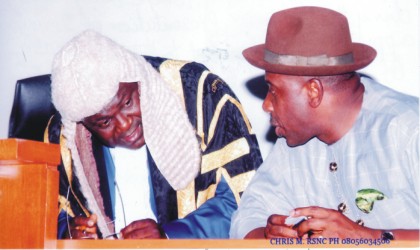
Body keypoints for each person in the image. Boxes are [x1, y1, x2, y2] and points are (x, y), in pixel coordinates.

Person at [45, 30, 262, 239]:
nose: (125, 124)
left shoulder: (200, 95)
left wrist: (170, 236)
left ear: (138, 81)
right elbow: (47, 212)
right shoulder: (65, 135)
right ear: (85, 126)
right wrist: (69, 232)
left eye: (128, 102)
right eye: (105, 122)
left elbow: (244, 201)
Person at [230, 6, 419, 241]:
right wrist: (268, 235)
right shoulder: (292, 143)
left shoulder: (409, 129)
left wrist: (370, 238)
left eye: (273, 91)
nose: (266, 105)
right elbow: (247, 217)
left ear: (313, 91)